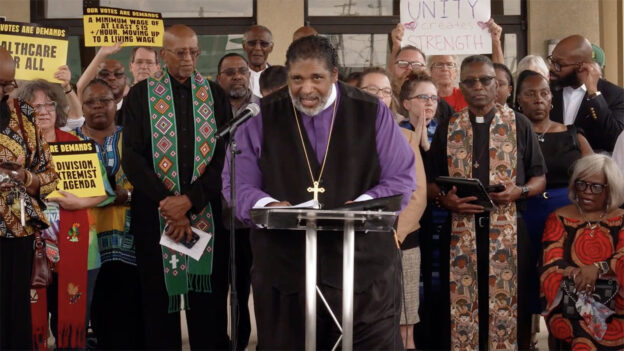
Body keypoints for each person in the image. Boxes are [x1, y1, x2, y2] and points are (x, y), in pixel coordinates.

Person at [222, 35, 416, 349]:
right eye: (297, 79)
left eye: (317, 78)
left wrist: (363, 207)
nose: (306, 89)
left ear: (335, 75)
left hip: (362, 270)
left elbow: (400, 178)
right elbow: (236, 183)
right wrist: (269, 204)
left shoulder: (370, 112)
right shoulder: (262, 114)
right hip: (287, 270)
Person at [122, 24, 231, 350]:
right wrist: (170, 203)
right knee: (158, 307)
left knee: (208, 310)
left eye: (194, 52)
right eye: (180, 52)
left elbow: (222, 157)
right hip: (155, 214)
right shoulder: (140, 96)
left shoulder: (214, 94)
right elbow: (132, 157)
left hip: (205, 213)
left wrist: (190, 202)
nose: (188, 58)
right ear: (163, 55)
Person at [427, 55, 547, 350]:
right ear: (461, 87)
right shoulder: (449, 125)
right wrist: (446, 200)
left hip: (509, 235)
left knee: (509, 310)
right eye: (470, 81)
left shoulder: (518, 123)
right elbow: (429, 182)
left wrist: (518, 191)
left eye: (485, 80)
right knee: (459, 311)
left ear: (497, 86)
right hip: (460, 233)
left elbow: (540, 177)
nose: (478, 86)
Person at [16, 80, 112, 350]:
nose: (44, 110)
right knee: (26, 326)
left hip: (80, 252)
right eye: (36, 106)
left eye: (49, 104)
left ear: (57, 109)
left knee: (72, 327)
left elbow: (104, 192)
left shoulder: (78, 145)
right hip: (27, 252)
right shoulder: (12, 149)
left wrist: (78, 203)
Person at [514, 69, 592, 348]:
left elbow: (595, 175)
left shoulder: (573, 135)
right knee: (523, 288)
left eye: (544, 93)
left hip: (567, 223)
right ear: (518, 100)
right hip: (523, 219)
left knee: (563, 287)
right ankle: (523, 343)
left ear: (552, 100)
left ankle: (564, 343)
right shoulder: (509, 136)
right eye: (530, 93)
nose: (538, 99)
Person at [73, 79, 142, 349]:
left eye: (105, 100)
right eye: (90, 102)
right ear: (82, 106)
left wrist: (127, 196)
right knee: (98, 316)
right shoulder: (70, 143)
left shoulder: (135, 139)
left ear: (116, 103)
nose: (98, 106)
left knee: (132, 316)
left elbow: (152, 184)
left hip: (131, 245)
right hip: (86, 245)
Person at [0, 46, 59, 350]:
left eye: (6, 85)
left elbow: (50, 177)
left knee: (14, 316)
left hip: (16, 231)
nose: (2, 91)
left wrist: (26, 178)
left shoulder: (23, 118)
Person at [540, 154, 624, 350]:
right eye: (581, 184)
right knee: (578, 329)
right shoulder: (558, 218)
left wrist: (598, 268)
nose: (586, 192)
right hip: (570, 305)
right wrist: (579, 275)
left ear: (610, 189)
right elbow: (550, 264)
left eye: (596, 187)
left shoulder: (621, 219)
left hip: (618, 306)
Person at [548, 34, 624, 152]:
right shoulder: (547, 92)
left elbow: (616, 138)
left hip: (592, 168)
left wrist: (594, 94)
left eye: (558, 65)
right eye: (552, 61)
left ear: (580, 66)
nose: (552, 68)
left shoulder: (614, 95)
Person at [243, 25, 273, 98]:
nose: (257, 48)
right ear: (244, 46)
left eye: (263, 44)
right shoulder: (236, 78)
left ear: (271, 48)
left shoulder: (281, 79)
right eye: (252, 43)